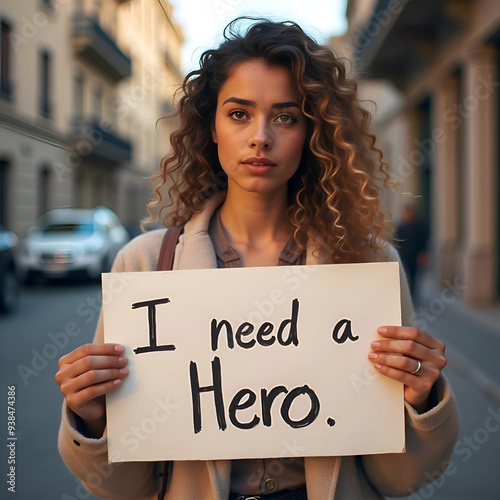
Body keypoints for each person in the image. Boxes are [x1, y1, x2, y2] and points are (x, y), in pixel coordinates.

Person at [55, 18, 459, 500]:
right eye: (239, 114)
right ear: (212, 127)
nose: (261, 137)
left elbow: (400, 480)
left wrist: (423, 399)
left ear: (313, 132)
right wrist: (92, 418)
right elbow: (125, 488)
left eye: (285, 116)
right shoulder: (144, 266)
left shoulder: (370, 265)